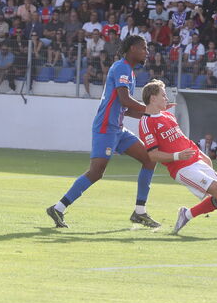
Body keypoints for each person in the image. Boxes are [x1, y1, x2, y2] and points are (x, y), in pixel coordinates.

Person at [46, 35, 160, 229]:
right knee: (96, 172)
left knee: (150, 159)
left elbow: (128, 109)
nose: (147, 52)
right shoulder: (121, 67)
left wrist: (156, 116)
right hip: (106, 127)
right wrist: (149, 109)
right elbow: (125, 100)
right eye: (143, 48)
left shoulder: (130, 73)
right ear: (132, 48)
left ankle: (139, 212)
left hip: (118, 129)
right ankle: (58, 207)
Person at [138, 80, 217, 238]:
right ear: (153, 98)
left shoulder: (167, 116)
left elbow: (181, 138)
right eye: (163, 95)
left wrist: (200, 154)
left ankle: (187, 214)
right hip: (181, 168)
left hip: (196, 158)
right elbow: (152, 155)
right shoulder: (146, 123)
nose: (166, 98)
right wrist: (177, 156)